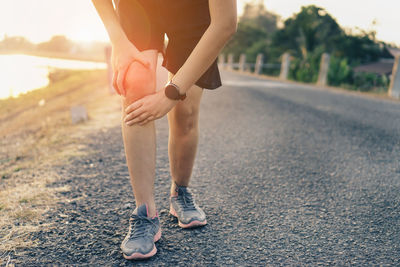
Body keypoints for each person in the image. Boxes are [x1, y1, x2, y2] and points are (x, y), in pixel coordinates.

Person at [91, 0, 237, 260]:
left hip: (193, 9)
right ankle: (145, 213)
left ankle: (180, 191)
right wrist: (119, 41)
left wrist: (172, 92)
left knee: (186, 110)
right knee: (135, 82)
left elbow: (225, 23)